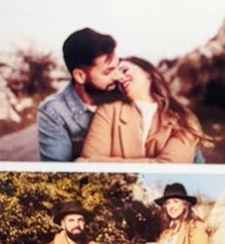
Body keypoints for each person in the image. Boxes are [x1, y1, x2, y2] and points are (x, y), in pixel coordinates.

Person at [80, 55, 206, 164]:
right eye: (115, 77)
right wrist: (155, 163)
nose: (120, 77)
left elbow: (170, 167)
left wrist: (105, 162)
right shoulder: (109, 110)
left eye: (124, 70)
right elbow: (89, 160)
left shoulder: (185, 119)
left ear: (148, 73)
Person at [34, 27, 119, 163]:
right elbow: (58, 169)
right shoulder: (54, 111)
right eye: (108, 72)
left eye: (118, 67)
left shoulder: (123, 93)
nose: (118, 76)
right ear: (80, 76)